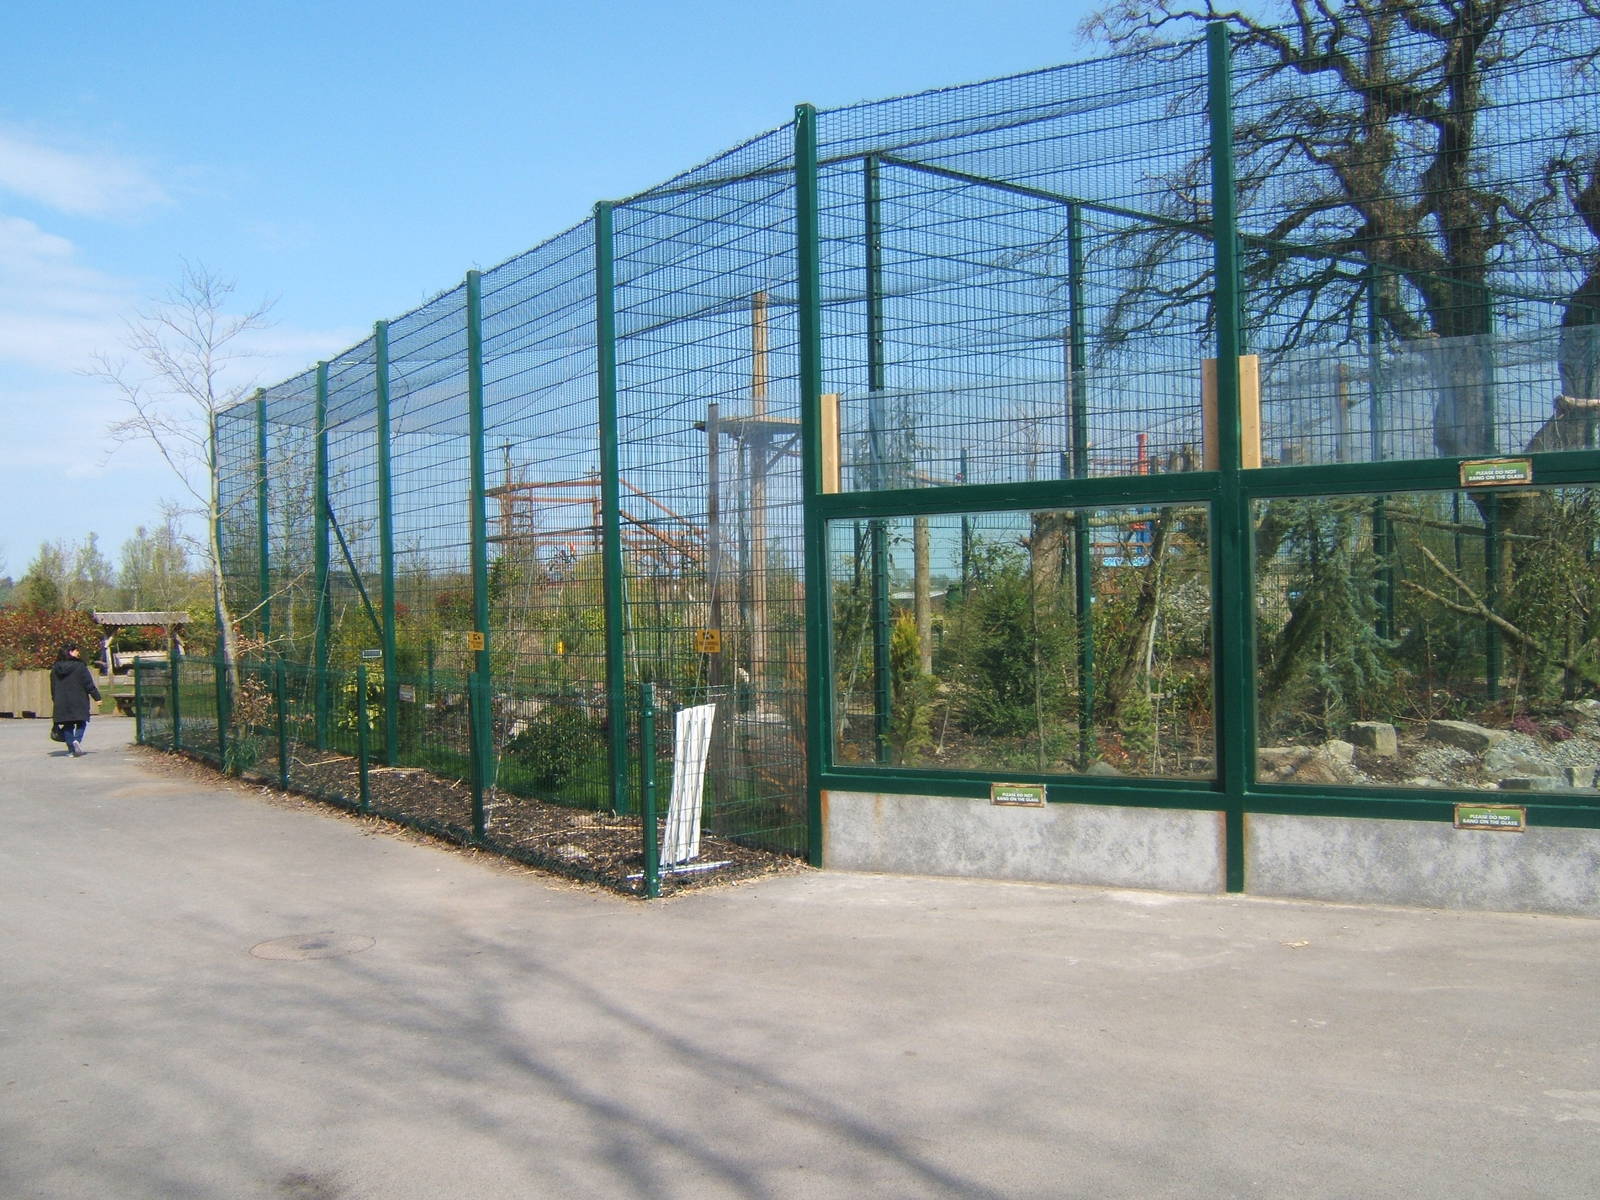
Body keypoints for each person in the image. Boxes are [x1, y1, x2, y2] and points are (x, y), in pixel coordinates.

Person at [51, 642, 101, 758]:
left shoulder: (55, 668)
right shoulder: (80, 666)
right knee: (81, 722)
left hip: (62, 701)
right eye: (76, 650)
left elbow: (53, 686)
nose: (78, 652)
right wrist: (97, 698)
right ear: (70, 652)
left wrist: (55, 699)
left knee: (67, 725)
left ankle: (71, 750)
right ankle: (77, 740)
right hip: (79, 700)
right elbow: (88, 684)